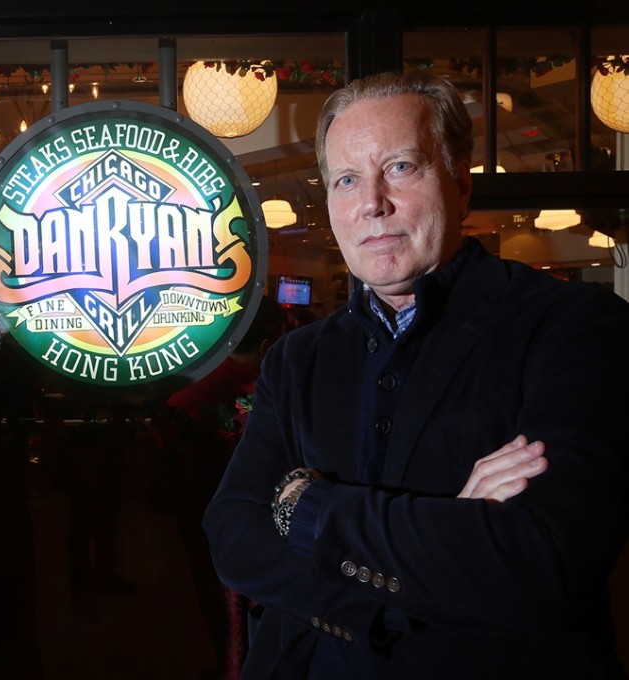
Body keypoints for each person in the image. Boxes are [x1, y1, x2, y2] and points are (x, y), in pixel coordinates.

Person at [203, 70, 629, 680]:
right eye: (347, 180)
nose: (372, 202)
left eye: (400, 167)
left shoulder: (573, 327)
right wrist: (449, 534)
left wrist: (305, 507)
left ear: (459, 182)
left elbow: (541, 564)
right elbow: (233, 535)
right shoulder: (298, 357)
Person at [162, 295, 286, 680]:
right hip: (257, 520)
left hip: (204, 511)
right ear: (267, 345)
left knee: (219, 604)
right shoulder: (265, 385)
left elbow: (171, 417)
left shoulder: (202, 384)